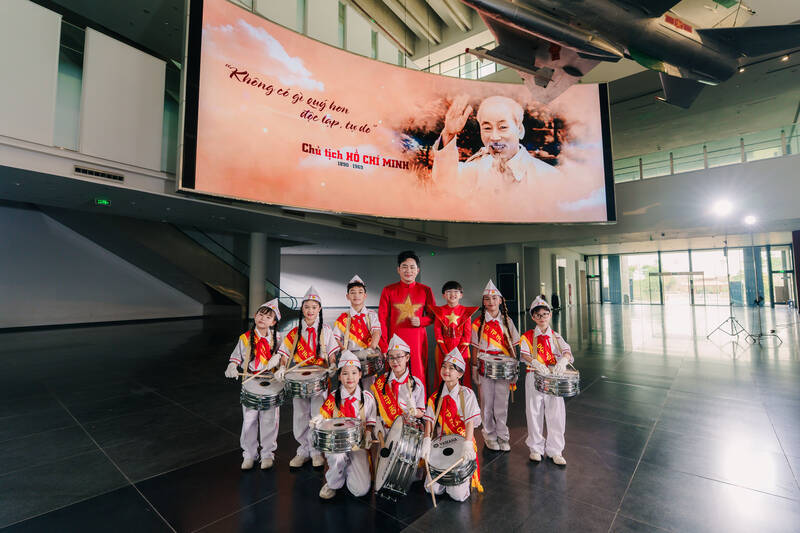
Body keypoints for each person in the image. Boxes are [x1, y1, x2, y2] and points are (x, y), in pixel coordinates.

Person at [432, 95, 558, 189]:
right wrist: (449, 133)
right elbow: (446, 180)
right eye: (487, 128)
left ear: (519, 130)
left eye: (502, 127)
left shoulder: (548, 177)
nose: (494, 137)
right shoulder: (477, 169)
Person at [276, 286, 338, 469]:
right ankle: (303, 450)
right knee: (300, 416)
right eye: (306, 307)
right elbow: (285, 353)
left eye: (313, 307)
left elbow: (332, 354)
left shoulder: (326, 330)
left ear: (319, 309)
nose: (310, 311)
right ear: (302, 309)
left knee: (318, 415)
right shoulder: (294, 333)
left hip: (319, 380)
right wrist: (281, 367)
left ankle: (317, 452)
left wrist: (333, 364)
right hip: (299, 378)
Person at [224, 299, 282, 470]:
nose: (262, 318)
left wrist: (279, 361)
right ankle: (249, 454)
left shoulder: (278, 338)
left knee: (269, 420)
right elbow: (235, 357)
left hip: (271, 382)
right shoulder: (245, 338)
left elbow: (285, 358)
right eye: (260, 314)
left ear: (273, 322)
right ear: (255, 316)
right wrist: (232, 366)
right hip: (250, 381)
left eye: (268, 316)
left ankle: (267, 454)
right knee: (249, 420)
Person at [310, 351, 377, 499]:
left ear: (360, 375)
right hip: (338, 444)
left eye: (354, 373)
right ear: (339, 377)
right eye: (345, 374)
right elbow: (324, 415)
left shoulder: (367, 398)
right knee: (337, 457)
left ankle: (347, 469)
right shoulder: (334, 396)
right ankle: (333, 483)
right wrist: (317, 418)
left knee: (360, 490)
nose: (350, 378)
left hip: (357, 445)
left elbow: (371, 422)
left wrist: (367, 433)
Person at [420, 347, 482, 501]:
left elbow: (470, 422)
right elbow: (429, 420)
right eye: (444, 366)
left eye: (451, 368)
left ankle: (464, 479)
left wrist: (468, 443)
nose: (446, 370)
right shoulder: (435, 396)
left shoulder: (467, 395)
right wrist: (427, 440)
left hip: (462, 442)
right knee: (431, 489)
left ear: (460, 374)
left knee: (458, 496)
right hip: (444, 442)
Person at [520, 296, 572, 465]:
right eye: (538, 315)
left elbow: (567, 352)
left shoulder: (556, 336)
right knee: (534, 412)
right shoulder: (527, 336)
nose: (542, 318)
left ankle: (555, 450)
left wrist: (563, 361)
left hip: (553, 378)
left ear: (550, 315)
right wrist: (533, 361)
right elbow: (524, 354)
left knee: (556, 413)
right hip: (534, 375)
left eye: (545, 314)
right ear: (533, 317)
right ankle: (535, 448)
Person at [471, 280, 520, 452]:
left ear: (500, 300)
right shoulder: (477, 323)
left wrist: (515, 367)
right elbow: (475, 348)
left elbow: (513, 346)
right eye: (487, 299)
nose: (490, 302)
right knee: (486, 402)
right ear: (483, 302)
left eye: (494, 298)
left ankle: (502, 435)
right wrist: (474, 367)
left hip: (504, 366)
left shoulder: (507, 321)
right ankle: (489, 435)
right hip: (484, 366)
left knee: (501, 402)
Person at [378, 250, 435, 395]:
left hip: (417, 340)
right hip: (394, 341)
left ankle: (419, 410)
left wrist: (421, 321)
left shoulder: (425, 290)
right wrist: (384, 346)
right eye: (404, 266)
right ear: (398, 269)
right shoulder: (388, 290)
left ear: (418, 270)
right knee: (394, 374)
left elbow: (433, 316)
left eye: (412, 267)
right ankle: (393, 410)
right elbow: (382, 319)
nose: (408, 270)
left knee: (418, 373)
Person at [371, 334, 426, 438]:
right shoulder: (381, 382)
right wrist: (377, 422)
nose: (395, 361)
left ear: (407, 357)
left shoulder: (417, 384)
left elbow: (422, 412)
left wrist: (413, 411)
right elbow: (376, 409)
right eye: (391, 358)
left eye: (399, 357)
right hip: (385, 432)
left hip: (408, 433)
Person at [333, 275, 382, 390]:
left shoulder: (371, 315)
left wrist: (371, 348)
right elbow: (335, 338)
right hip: (349, 358)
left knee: (369, 389)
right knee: (349, 390)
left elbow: (376, 332)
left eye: (360, 292)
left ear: (365, 296)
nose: (356, 295)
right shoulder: (343, 318)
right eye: (353, 292)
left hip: (367, 357)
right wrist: (344, 351)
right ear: (347, 296)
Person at [429, 281, 478, 390]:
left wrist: (458, 354)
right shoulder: (440, 311)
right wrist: (446, 352)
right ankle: (442, 400)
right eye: (449, 292)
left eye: (456, 292)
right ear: (444, 295)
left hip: (462, 349)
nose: (452, 294)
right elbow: (438, 332)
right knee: (443, 374)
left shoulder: (465, 311)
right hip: (443, 350)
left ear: (461, 295)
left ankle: (462, 401)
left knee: (462, 375)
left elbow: (467, 334)